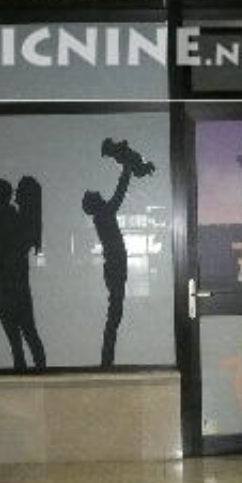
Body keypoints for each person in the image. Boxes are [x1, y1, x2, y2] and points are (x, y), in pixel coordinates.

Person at [84, 141, 149, 367]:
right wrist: (127, 169)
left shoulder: (102, 215)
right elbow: (119, 193)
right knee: (114, 314)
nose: (98, 194)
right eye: (95, 195)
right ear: (95, 203)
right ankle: (107, 359)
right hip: (115, 265)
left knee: (114, 313)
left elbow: (118, 194)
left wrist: (128, 168)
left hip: (113, 265)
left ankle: (107, 359)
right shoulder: (104, 214)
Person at [0, 178, 46, 371]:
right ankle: (41, 371)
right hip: (15, 287)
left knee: (17, 342)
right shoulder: (17, 218)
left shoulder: (0, 217)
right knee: (29, 335)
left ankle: (27, 373)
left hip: (5, 287)